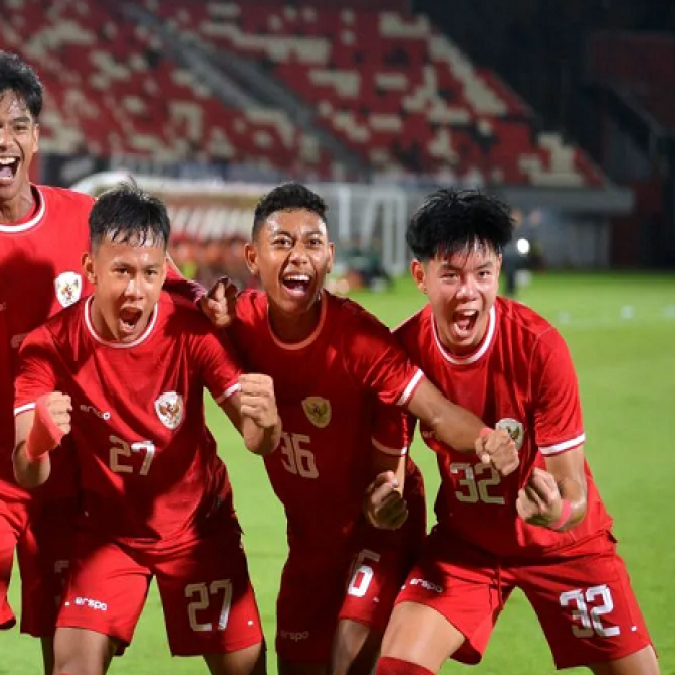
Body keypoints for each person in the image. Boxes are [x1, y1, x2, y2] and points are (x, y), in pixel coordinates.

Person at [0, 51, 204, 675]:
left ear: (36, 136)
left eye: (17, 126)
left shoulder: (84, 222)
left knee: (65, 652)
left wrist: (224, 306)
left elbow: (171, 288)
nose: (3, 141)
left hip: (76, 469)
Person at [206, 183, 519, 675]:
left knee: (346, 658)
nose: (298, 256)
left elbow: (433, 411)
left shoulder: (360, 341)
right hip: (308, 538)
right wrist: (214, 308)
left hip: (378, 525)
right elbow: (179, 298)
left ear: (330, 258)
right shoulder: (236, 321)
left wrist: (486, 440)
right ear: (252, 256)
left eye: (312, 243)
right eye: (282, 242)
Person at [376, 189, 658, 675]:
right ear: (420, 276)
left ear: (499, 270)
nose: (469, 292)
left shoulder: (539, 348)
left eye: (483, 274)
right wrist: (380, 502)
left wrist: (557, 510)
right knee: (397, 665)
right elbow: (385, 477)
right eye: (452, 275)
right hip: (468, 548)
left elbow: (574, 494)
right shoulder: (401, 352)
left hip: (565, 550)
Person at [12, 183, 276, 675]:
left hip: (198, 528)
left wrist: (269, 422)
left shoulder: (190, 331)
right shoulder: (49, 345)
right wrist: (40, 439)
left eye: (150, 273)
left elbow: (256, 438)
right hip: (108, 535)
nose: (136, 289)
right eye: (122, 271)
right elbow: (27, 470)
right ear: (91, 270)